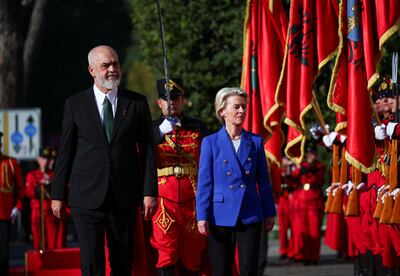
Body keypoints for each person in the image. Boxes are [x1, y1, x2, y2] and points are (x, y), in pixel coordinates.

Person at [51, 45, 158, 275]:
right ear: (92, 70)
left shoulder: (136, 103)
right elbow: (65, 152)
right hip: (86, 197)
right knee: (92, 263)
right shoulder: (75, 104)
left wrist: (150, 191)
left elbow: (148, 149)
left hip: (124, 197)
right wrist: (57, 194)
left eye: (116, 64)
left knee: (122, 262)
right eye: (105, 65)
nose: (112, 69)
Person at [196, 87, 276, 276]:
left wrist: (269, 211)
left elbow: (263, 180)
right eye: (236, 107)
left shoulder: (255, 141)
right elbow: (205, 183)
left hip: (250, 213)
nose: (241, 111)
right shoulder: (210, 142)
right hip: (220, 213)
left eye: (244, 107)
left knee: (249, 269)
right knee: (221, 269)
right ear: (222, 111)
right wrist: (202, 216)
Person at [150, 78, 209, 275]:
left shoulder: (198, 127)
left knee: (194, 251)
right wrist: (161, 131)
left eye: (176, 98)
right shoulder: (150, 129)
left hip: (193, 198)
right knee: (165, 251)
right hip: (162, 199)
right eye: (166, 99)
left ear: (183, 101)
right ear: (159, 103)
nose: (172, 102)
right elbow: (138, 151)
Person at [25, 147, 60, 249]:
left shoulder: (53, 175)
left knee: (52, 239)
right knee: (37, 239)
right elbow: (28, 192)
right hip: (37, 211)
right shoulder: (32, 175)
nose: (46, 161)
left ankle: (52, 260)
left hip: (49, 210)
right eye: (43, 158)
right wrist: (38, 190)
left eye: (47, 159)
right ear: (38, 159)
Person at [0, 131, 24, 275]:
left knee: (3, 251)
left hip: (4, 212)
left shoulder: (11, 162)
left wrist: (18, 207)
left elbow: (21, 188)